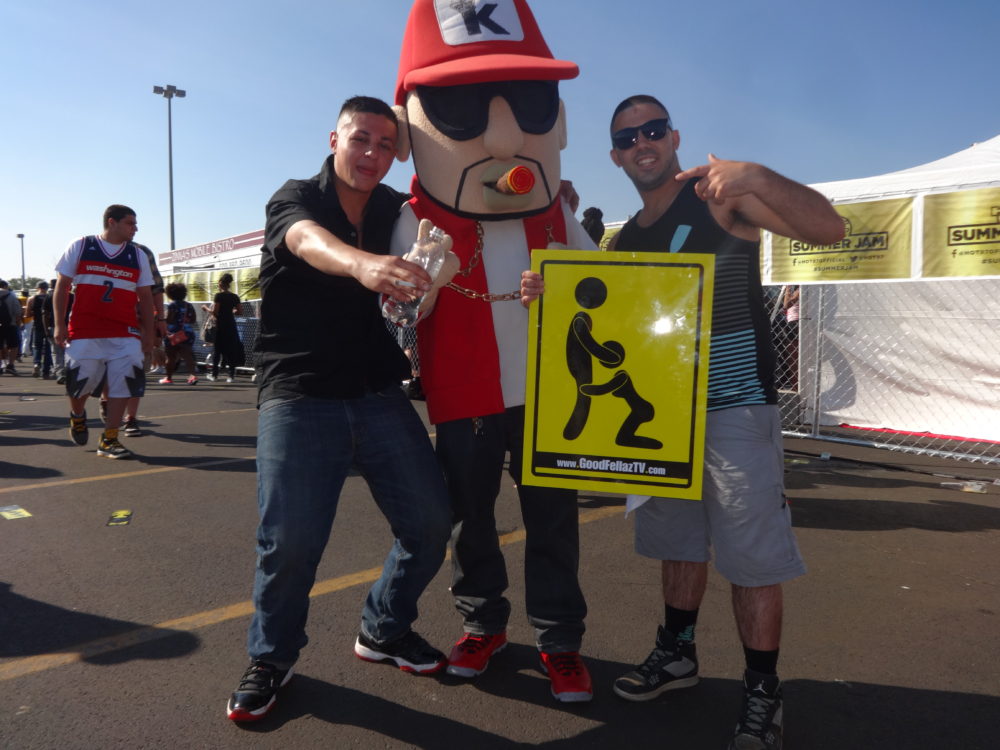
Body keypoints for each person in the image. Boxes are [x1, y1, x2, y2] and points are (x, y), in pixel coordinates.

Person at [600, 95, 844, 749]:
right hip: (664, 415)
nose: (642, 142)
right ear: (616, 156)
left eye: (653, 129)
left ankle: (763, 689)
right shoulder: (627, 238)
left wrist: (755, 174)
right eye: (628, 137)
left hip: (735, 406)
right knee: (677, 542)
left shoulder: (718, 197)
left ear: (674, 137)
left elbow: (830, 228)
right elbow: (622, 325)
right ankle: (677, 651)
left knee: (752, 559)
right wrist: (549, 296)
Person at [389, 0, 597, 703]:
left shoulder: (558, 210)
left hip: (549, 396)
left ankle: (559, 639)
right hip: (465, 395)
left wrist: (564, 291)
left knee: (553, 524)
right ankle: (483, 624)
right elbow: (398, 316)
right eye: (460, 110)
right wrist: (428, 283)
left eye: (528, 104)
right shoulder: (414, 218)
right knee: (470, 522)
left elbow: (605, 290)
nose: (504, 139)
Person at [226, 95, 454, 723]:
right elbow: (306, 240)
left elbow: (457, 214)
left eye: (386, 144)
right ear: (335, 139)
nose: (372, 154)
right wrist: (364, 265)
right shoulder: (296, 197)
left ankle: (384, 626)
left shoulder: (396, 209)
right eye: (361, 139)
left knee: (431, 524)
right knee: (290, 543)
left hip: (377, 390)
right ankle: (271, 658)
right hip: (298, 393)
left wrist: (545, 201)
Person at [53, 205, 155, 460]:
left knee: (125, 383)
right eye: (130, 223)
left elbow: (145, 296)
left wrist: (149, 333)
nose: (135, 228)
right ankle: (78, 415)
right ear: (112, 222)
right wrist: (59, 324)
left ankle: (110, 438)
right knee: (80, 383)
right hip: (85, 329)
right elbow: (62, 286)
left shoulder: (137, 254)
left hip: (125, 331)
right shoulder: (81, 245)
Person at [203, 272, 243, 383]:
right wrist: (231, 311)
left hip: (220, 326)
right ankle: (231, 376)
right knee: (231, 350)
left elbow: (215, 312)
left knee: (217, 350)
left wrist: (206, 308)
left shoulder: (218, 296)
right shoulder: (235, 297)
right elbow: (240, 312)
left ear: (220, 283)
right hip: (231, 325)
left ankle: (214, 375)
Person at [159, 282, 199, 386]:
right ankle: (193, 376)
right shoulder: (188, 305)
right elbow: (193, 320)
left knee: (171, 357)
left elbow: (170, 320)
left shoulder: (172, 305)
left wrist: (163, 318)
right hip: (187, 333)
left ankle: (168, 378)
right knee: (188, 355)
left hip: (173, 334)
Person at [27, 281, 53, 379]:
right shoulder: (50, 297)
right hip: (48, 325)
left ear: (37, 288)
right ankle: (46, 371)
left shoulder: (32, 298)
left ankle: (36, 363)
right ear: (46, 288)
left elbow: (27, 314)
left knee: (37, 347)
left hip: (37, 325)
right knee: (48, 348)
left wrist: (34, 313)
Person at [0, 279, 23, 374]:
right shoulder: (12, 296)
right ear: (6, 286)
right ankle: (10, 365)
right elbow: (17, 313)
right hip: (10, 325)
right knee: (13, 346)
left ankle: (0, 365)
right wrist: (18, 324)